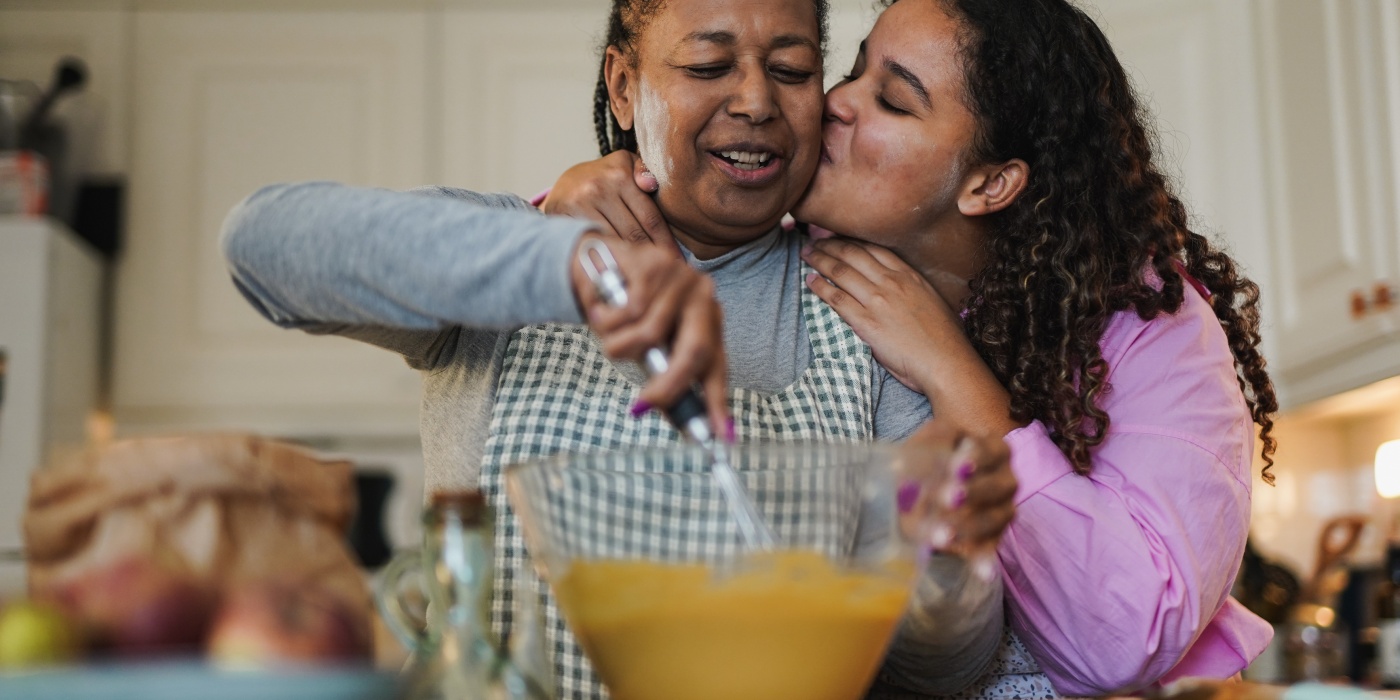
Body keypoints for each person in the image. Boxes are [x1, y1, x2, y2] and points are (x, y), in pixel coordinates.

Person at [220, 0, 1018, 697]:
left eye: (792, 68)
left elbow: (940, 669)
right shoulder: (505, 256)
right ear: (623, 85)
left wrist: (945, 561)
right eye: (708, 63)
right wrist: (568, 264)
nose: (755, 101)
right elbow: (262, 246)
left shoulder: (864, 309)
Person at [542, 0, 1280, 696]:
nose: (833, 100)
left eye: (892, 101)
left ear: (991, 183)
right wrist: (597, 186)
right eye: (854, 68)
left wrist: (949, 369)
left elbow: (1119, 639)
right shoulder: (805, 261)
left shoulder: (1152, 324)